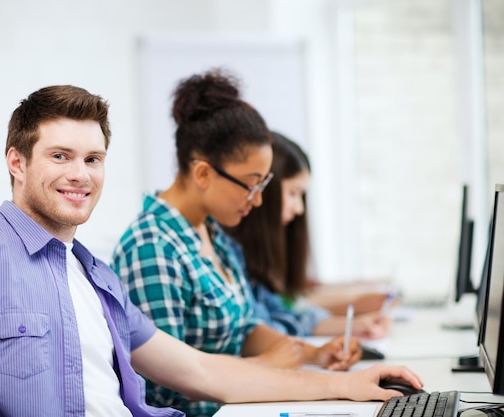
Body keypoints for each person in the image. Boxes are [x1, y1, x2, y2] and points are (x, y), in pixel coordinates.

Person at [0, 84, 422, 417]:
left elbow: (205, 374)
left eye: (93, 159)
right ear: (17, 163)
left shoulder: (95, 276)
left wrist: (347, 386)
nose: (80, 174)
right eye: (61, 155)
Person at [109, 69, 400, 417]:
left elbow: (244, 327)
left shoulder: (215, 235)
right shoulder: (151, 249)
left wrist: (309, 353)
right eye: (251, 184)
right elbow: (166, 388)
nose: (258, 200)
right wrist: (267, 365)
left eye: (263, 185)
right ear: (203, 173)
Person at [223, 131, 392, 339]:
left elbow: (286, 314)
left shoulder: (258, 257)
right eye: (293, 193)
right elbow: (264, 329)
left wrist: (354, 325)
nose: (299, 209)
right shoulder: (231, 252)